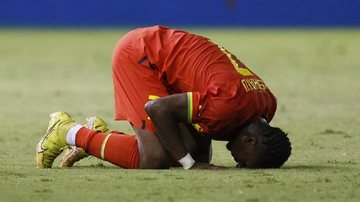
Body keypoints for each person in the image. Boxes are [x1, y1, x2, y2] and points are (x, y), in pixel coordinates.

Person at [36, 25, 291, 170]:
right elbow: (158, 109)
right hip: (142, 56)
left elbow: (205, 126)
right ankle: (69, 131)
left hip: (170, 64)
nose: (239, 165)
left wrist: (192, 158)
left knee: (192, 154)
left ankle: (102, 135)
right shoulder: (228, 107)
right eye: (244, 163)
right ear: (251, 141)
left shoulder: (265, 105)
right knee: (155, 158)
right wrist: (190, 165)